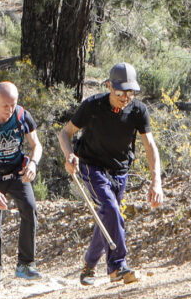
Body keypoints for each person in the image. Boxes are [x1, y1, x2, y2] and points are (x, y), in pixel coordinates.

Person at [57, 63, 164, 286]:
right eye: (120, 92)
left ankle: (88, 266)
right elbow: (65, 134)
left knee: (108, 216)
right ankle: (118, 266)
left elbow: (150, 146)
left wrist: (156, 182)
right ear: (109, 86)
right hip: (91, 165)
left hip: (120, 170)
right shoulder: (92, 106)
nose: (125, 97)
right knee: (111, 210)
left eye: (130, 92)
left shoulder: (138, 110)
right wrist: (69, 156)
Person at [0, 81, 44, 287]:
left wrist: (33, 163)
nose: (10, 110)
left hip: (16, 173)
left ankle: (25, 265)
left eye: (13, 105)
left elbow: (36, 144)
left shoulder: (22, 116)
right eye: (6, 106)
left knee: (30, 209)